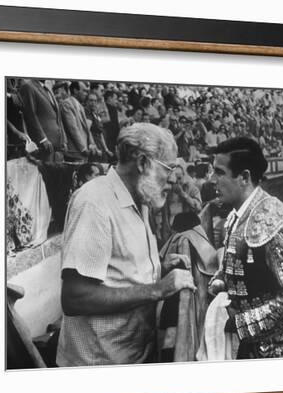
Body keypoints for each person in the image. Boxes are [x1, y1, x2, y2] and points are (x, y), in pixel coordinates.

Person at [56, 123, 196, 366]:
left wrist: (159, 268)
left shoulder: (141, 198)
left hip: (134, 354)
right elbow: (75, 298)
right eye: (168, 168)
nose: (173, 178)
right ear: (142, 163)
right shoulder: (94, 203)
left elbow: (119, 272)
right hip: (99, 366)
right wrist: (157, 289)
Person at [199, 136, 283, 359]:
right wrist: (220, 282)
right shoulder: (237, 216)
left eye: (219, 172)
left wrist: (241, 323)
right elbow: (236, 265)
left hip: (272, 352)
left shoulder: (270, 220)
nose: (212, 179)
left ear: (244, 177)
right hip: (245, 346)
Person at [18, 78, 67, 162]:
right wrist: (43, 139)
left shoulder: (47, 89)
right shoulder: (28, 87)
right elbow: (31, 115)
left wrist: (64, 140)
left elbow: (58, 118)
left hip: (57, 146)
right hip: (44, 145)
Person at [60, 81, 98, 161]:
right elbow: (73, 129)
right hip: (74, 151)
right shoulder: (67, 104)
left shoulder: (80, 105)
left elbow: (87, 129)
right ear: (75, 90)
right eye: (84, 91)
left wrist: (92, 144)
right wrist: (83, 148)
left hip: (83, 152)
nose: (86, 94)